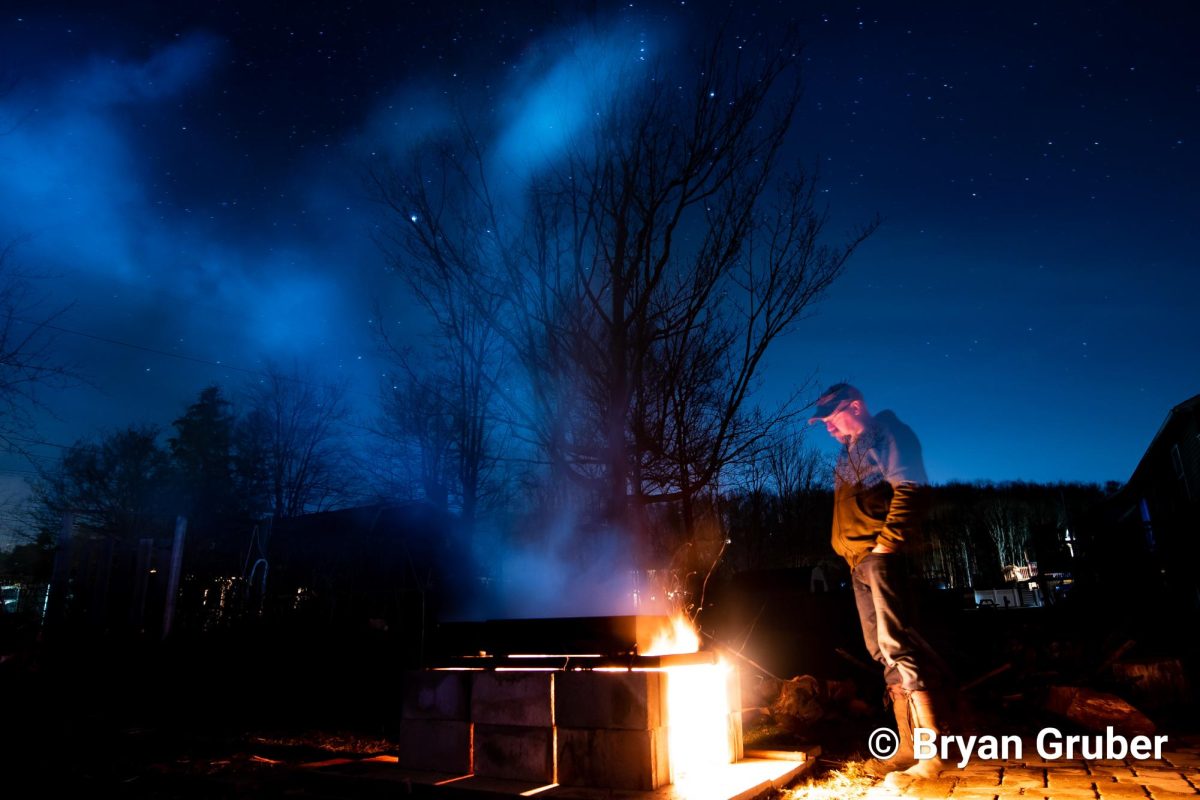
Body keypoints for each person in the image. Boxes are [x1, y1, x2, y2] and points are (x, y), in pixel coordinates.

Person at [808, 382, 946, 783]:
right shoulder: (849, 451)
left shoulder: (888, 435)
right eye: (825, 424)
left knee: (897, 645)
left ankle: (930, 751)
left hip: (881, 557)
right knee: (880, 650)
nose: (829, 429)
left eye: (833, 419)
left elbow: (911, 488)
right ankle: (907, 746)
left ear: (856, 405)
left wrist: (887, 544)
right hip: (858, 562)